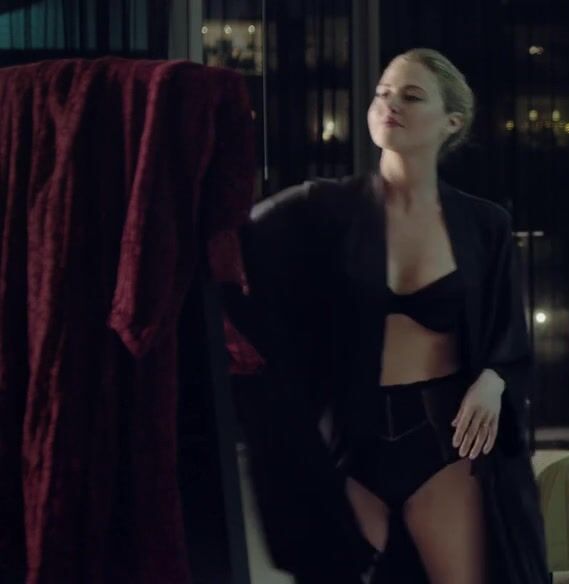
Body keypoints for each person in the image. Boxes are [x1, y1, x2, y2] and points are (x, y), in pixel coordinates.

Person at [227, 48, 549, 583]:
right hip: (351, 436)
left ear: (452, 122)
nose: (389, 104)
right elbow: (231, 248)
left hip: (444, 436)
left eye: (411, 96)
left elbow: (506, 329)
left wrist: (494, 381)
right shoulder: (321, 208)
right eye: (382, 93)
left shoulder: (483, 224)